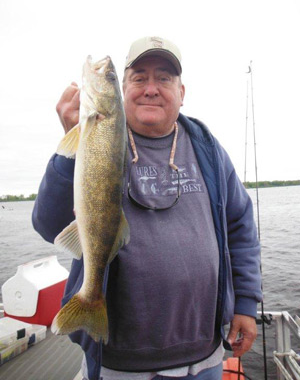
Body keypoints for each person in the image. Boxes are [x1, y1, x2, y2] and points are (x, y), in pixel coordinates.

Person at [32, 36, 262, 380]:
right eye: (138, 78)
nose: (151, 88)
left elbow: (240, 226)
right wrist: (71, 147)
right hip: (122, 363)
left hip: (205, 354)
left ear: (181, 92)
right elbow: (48, 224)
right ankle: (90, 309)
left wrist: (245, 303)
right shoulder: (95, 137)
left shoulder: (208, 149)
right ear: (123, 90)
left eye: (164, 78)